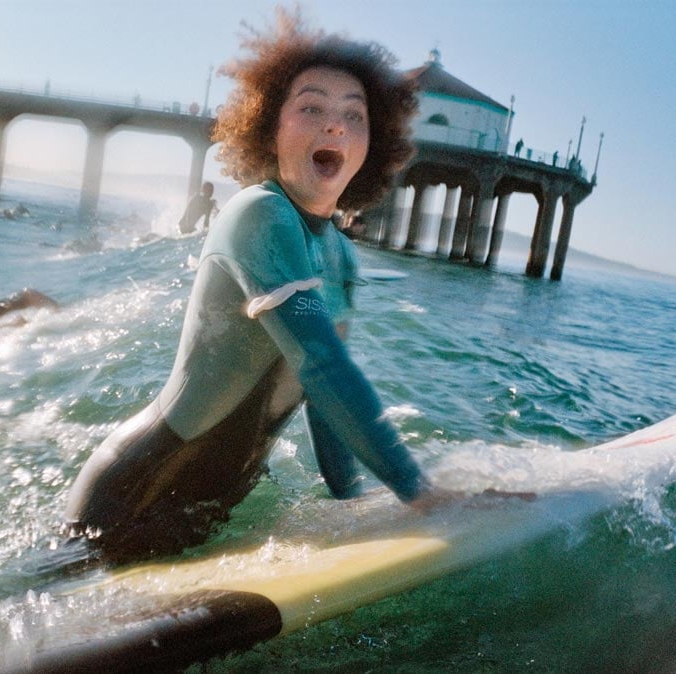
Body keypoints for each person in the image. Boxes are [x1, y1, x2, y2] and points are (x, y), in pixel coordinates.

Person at [64, 9, 514, 563]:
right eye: (311, 108)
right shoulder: (260, 215)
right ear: (268, 126)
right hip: (134, 494)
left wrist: (348, 498)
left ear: (373, 144)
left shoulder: (341, 255)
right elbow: (323, 364)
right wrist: (421, 493)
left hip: (218, 502)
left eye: (355, 115)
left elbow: (325, 401)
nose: (335, 126)